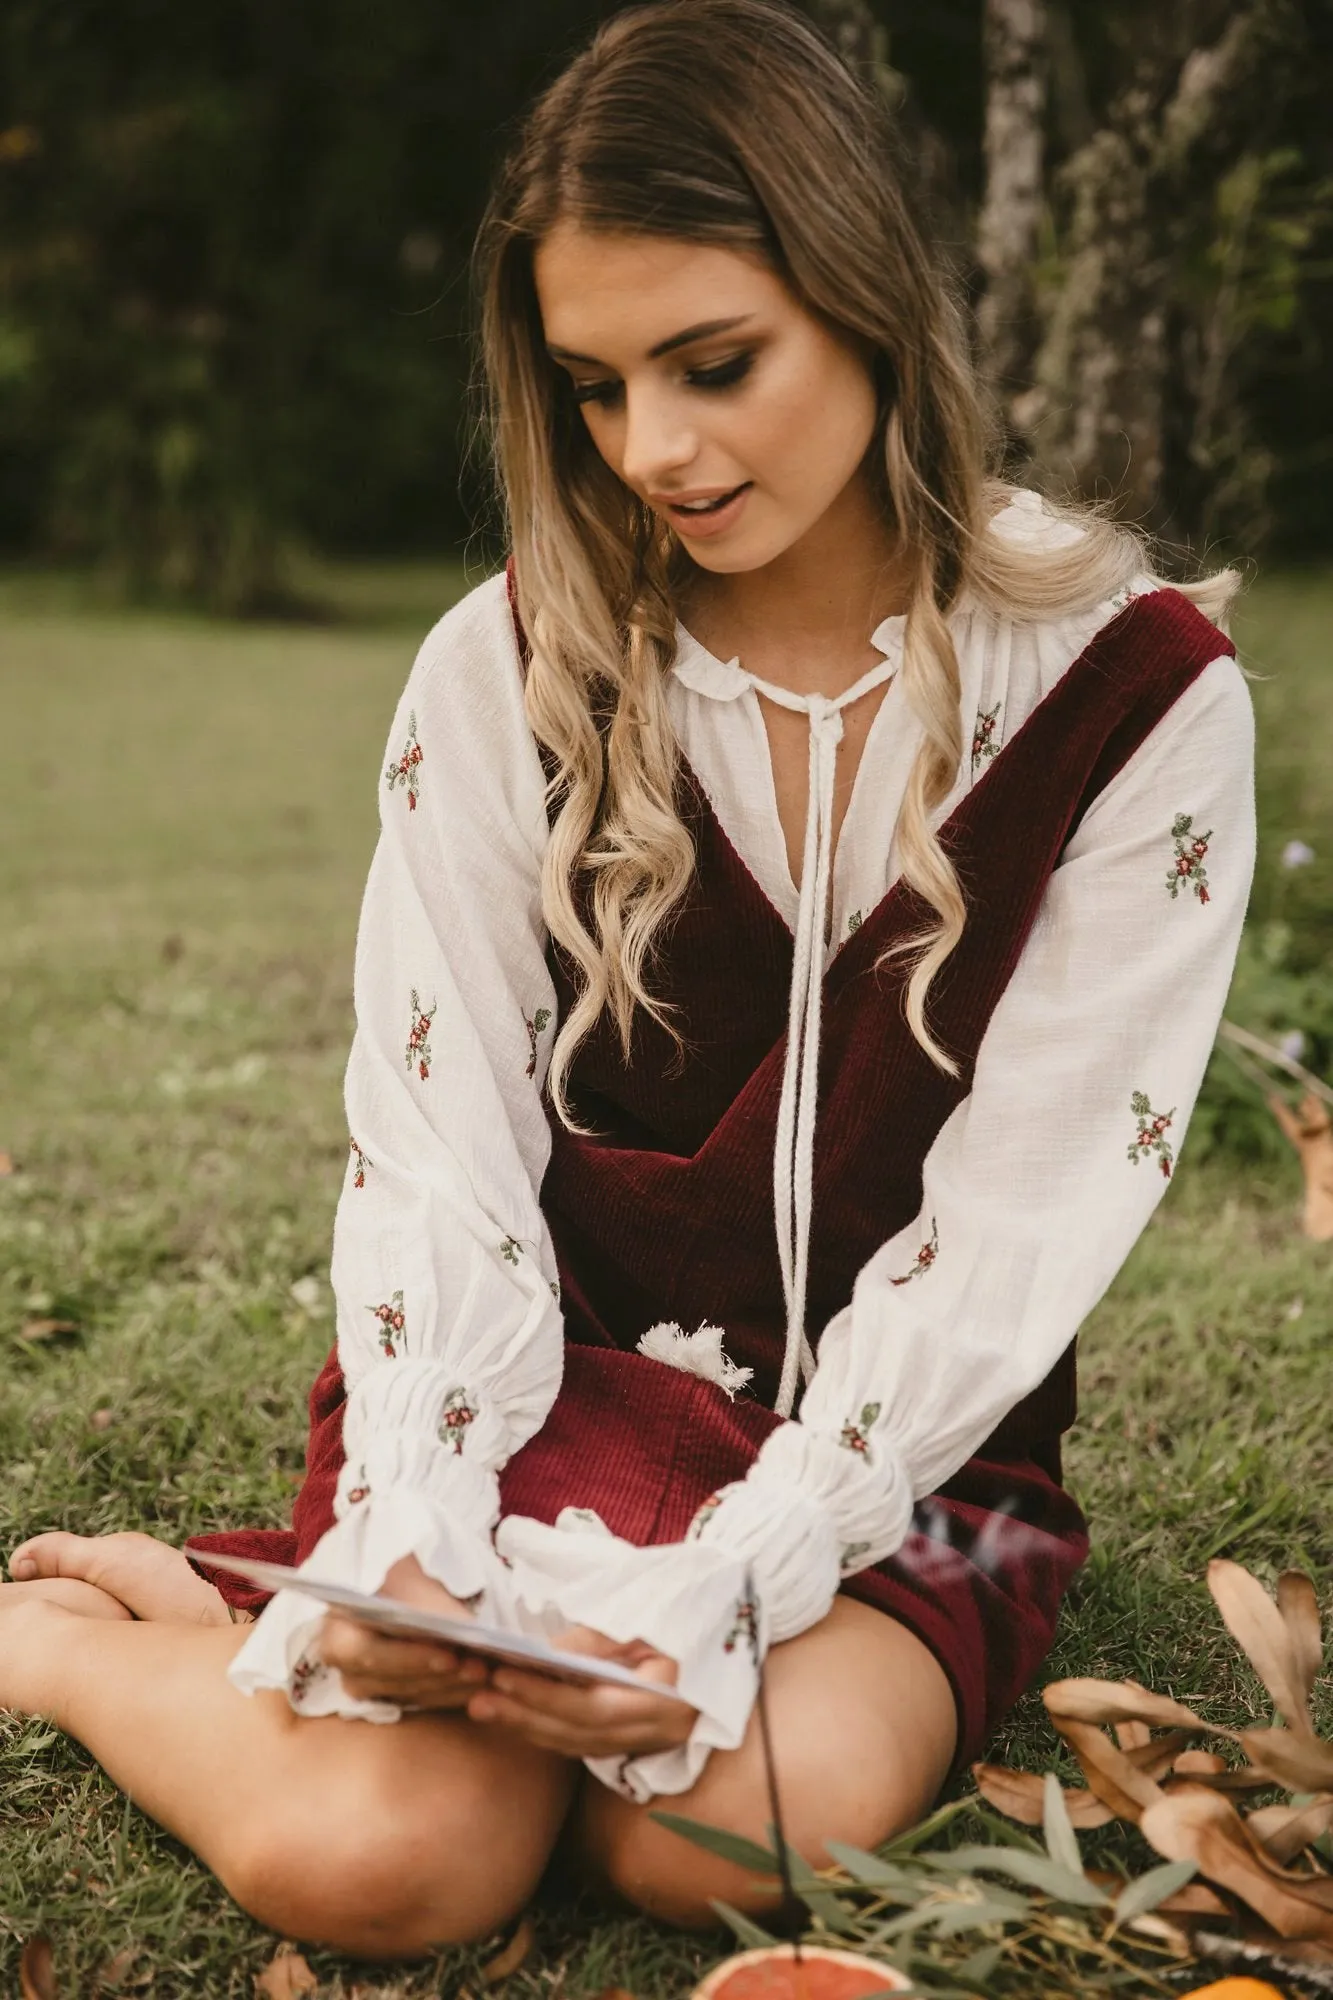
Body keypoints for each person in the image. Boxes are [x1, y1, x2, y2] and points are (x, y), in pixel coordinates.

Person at [1, 0, 1255, 1959]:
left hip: (909, 1457)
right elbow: (438, 1146)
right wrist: (423, 1510)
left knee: (722, 1830)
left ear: (866, 299)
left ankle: (254, 1610)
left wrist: (741, 1571)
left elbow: (1025, 1219)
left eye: (715, 362)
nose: (654, 449)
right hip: (540, 1380)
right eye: (594, 385)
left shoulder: (1134, 693)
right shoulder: (503, 669)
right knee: (386, 1862)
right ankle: (67, 1645)